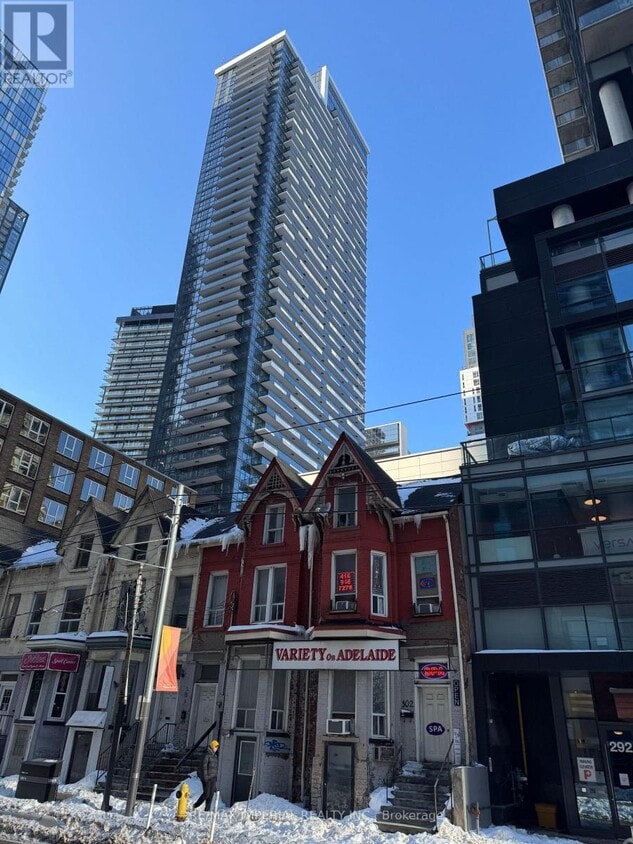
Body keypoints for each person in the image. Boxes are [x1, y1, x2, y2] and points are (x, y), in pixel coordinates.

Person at [194, 739, 219, 811]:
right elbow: (204, 767)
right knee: (206, 794)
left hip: (213, 778)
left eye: (217, 747)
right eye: (216, 747)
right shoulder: (206, 755)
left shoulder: (215, 756)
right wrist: (205, 777)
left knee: (211, 795)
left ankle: (207, 809)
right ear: (212, 746)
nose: (216, 749)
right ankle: (195, 805)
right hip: (207, 778)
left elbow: (215, 768)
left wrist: (215, 777)